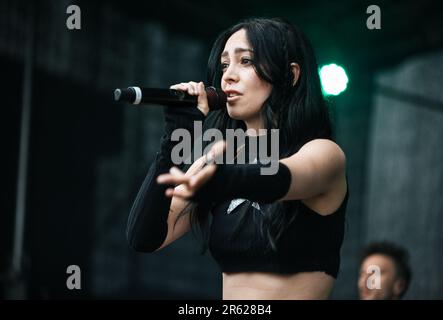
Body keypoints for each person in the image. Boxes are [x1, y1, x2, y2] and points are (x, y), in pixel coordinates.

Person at [126, 17, 349, 300]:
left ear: (290, 75)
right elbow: (144, 238)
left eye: (245, 61)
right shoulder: (218, 160)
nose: (228, 76)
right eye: (224, 65)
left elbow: (277, 178)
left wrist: (220, 178)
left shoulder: (324, 153)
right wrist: (173, 137)